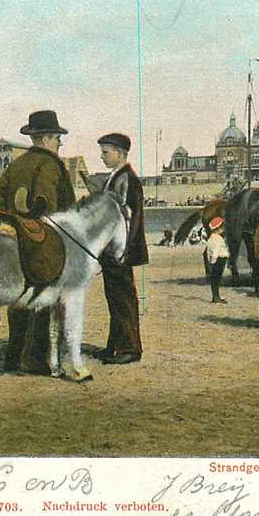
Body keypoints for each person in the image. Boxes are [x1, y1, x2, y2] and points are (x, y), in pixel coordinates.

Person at [0, 110, 77, 374]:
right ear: (47, 138)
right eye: (57, 138)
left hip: (16, 238)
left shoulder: (18, 162)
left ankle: (13, 357)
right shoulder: (51, 163)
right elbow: (47, 200)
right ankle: (35, 359)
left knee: (18, 300)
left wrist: (14, 217)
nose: (60, 143)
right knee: (42, 298)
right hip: (44, 240)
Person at [95, 133, 147, 365]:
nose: (102, 156)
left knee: (124, 299)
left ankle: (131, 349)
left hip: (119, 252)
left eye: (106, 152)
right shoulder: (117, 177)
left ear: (120, 153)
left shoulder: (127, 179)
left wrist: (123, 251)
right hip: (114, 252)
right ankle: (115, 346)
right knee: (115, 298)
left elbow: (128, 219)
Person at [205, 217, 229, 304]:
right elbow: (216, 251)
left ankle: (216, 296)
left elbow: (208, 251)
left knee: (214, 279)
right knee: (217, 279)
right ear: (218, 229)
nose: (223, 229)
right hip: (219, 260)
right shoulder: (218, 239)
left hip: (215, 260)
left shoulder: (210, 238)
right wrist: (214, 261)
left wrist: (210, 261)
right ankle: (216, 297)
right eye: (222, 227)